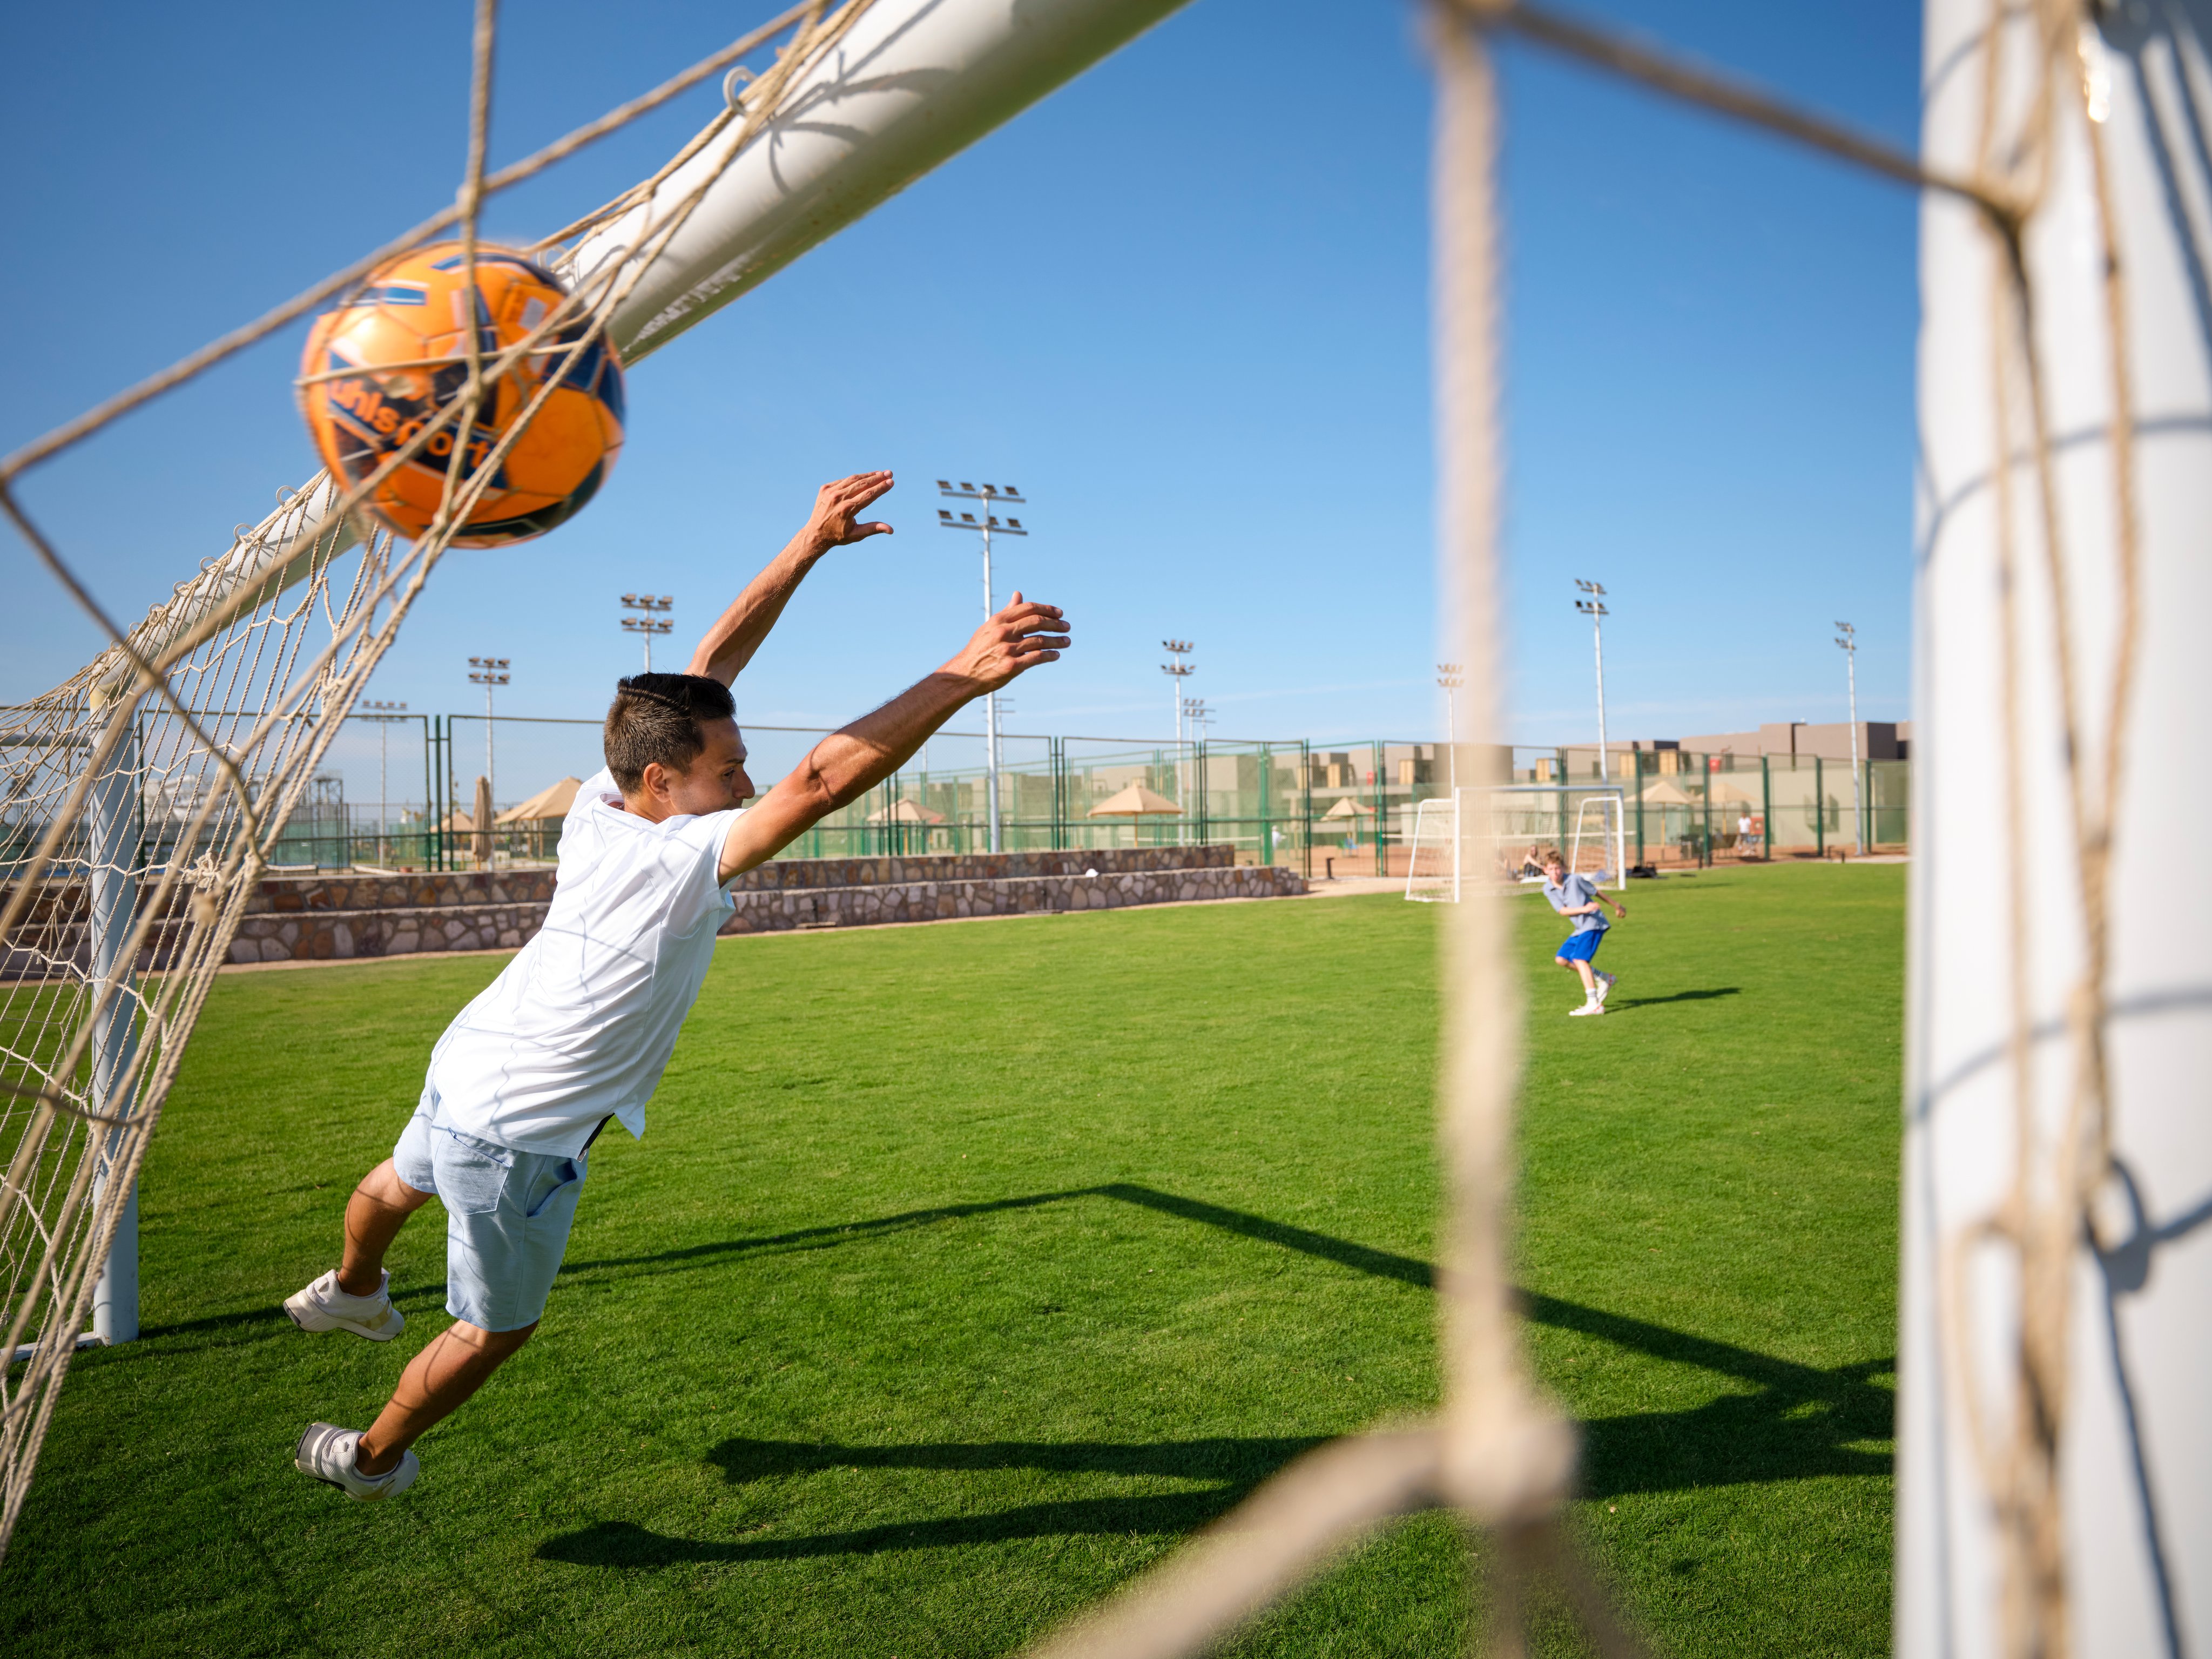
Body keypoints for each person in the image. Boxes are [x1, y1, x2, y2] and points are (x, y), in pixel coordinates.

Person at [282, 471, 1071, 1501]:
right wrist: (960, 675)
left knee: (397, 1181)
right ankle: (367, 1458)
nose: (746, 779)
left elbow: (702, 670)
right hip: (514, 1128)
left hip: (469, 1056)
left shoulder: (604, 806)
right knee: (493, 1326)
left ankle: (350, 1289)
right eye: (729, 768)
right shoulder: (680, 856)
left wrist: (807, 544)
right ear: (664, 780)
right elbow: (822, 781)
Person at [1540, 846, 1626, 1016]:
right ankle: (1604, 977)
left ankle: (1594, 1004)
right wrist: (1584, 908)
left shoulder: (1575, 880)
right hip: (1581, 927)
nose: (1555, 872)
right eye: (1551, 869)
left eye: (1558, 868)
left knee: (1580, 959)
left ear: (1564, 868)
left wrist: (1617, 906)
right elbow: (1562, 911)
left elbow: (1597, 893)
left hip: (1594, 923)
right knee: (1561, 959)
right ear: (1545, 870)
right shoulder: (1547, 889)